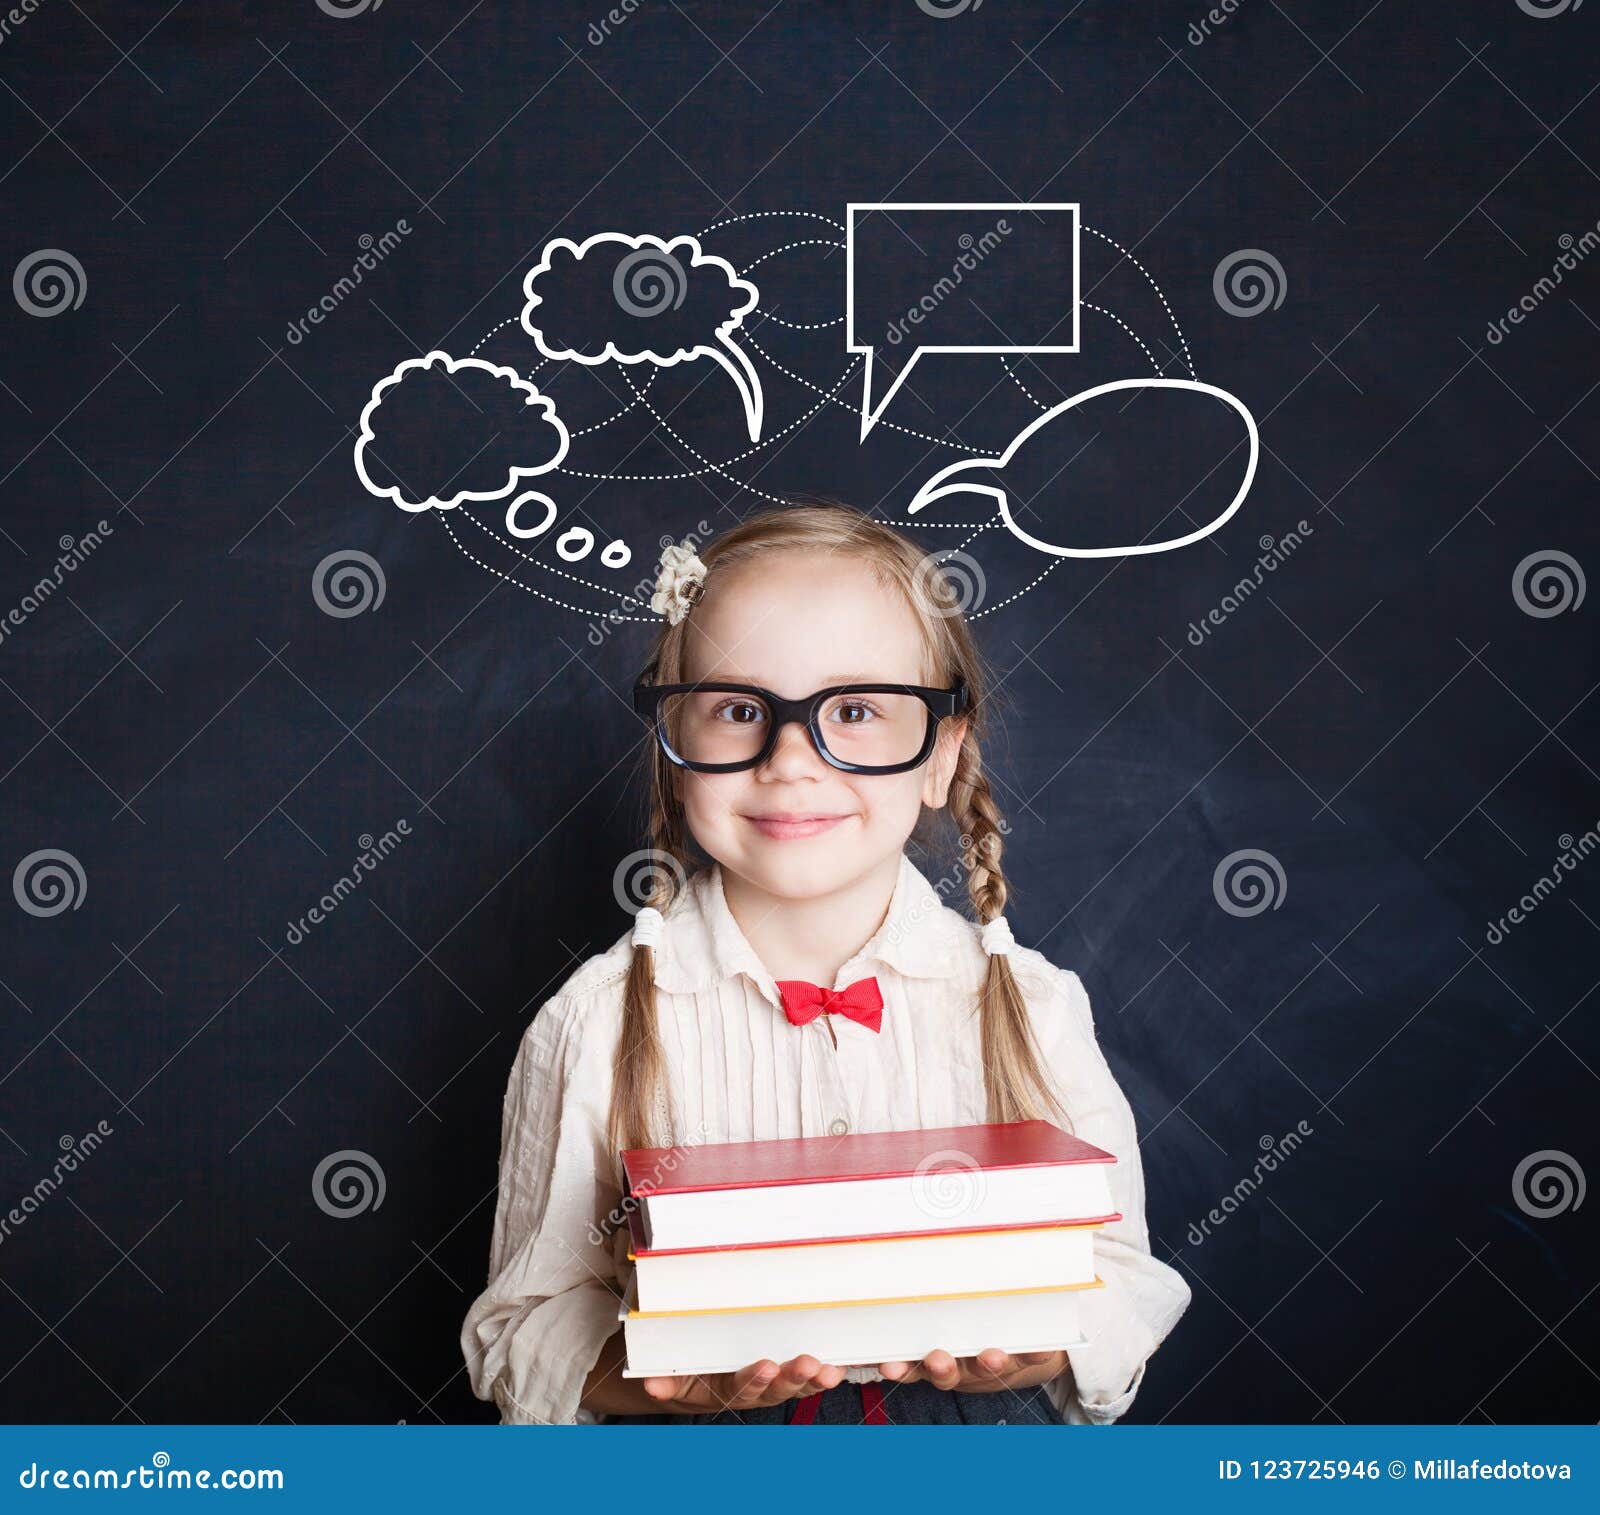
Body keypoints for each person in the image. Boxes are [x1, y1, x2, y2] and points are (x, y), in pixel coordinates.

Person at [459, 502, 1191, 1425]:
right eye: (737, 709)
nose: (793, 760)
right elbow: (519, 1327)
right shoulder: (597, 1020)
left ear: (941, 756)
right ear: (674, 745)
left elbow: (1125, 1277)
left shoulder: (1032, 1005)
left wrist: (1044, 1343)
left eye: (854, 709)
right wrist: (668, 1378)